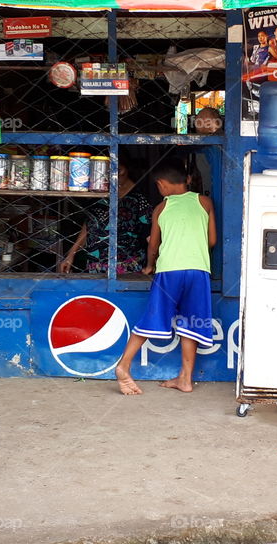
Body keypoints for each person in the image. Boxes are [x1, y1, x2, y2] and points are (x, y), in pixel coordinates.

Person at [114, 158, 217, 395]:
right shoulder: (204, 202)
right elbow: (212, 241)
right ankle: (185, 379)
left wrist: (150, 265)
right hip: (198, 270)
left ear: (161, 185)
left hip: (169, 270)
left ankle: (123, 365)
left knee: (153, 317)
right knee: (191, 323)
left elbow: (153, 245)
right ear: (187, 180)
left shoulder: (161, 208)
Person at [58, 158, 152, 274]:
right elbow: (90, 225)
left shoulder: (140, 199)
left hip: (127, 269)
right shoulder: (101, 194)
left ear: (123, 170)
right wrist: (71, 254)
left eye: (116, 170)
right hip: (95, 267)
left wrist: (153, 264)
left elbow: (151, 236)